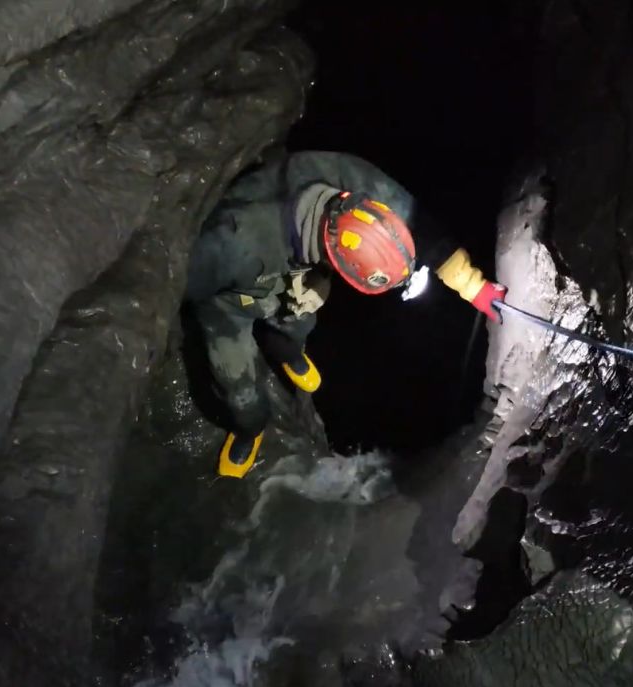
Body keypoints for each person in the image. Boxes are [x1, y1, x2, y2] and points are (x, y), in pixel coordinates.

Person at [184, 150, 507, 478]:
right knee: (238, 386)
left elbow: (423, 231)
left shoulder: (355, 186)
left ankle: (288, 352)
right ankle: (249, 429)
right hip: (231, 302)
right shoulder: (233, 242)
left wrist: (474, 287)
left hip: (296, 257)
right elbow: (186, 285)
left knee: (303, 309)